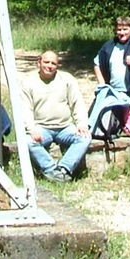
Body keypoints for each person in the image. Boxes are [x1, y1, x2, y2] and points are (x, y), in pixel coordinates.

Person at [20, 50, 91, 183]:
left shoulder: (67, 79)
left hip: (65, 127)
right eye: (46, 62)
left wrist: (82, 124)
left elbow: (77, 103)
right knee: (27, 141)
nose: (49, 66)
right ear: (39, 63)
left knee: (85, 138)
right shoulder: (28, 82)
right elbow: (25, 109)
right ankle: (50, 169)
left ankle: (63, 169)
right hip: (41, 128)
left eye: (53, 63)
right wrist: (31, 128)